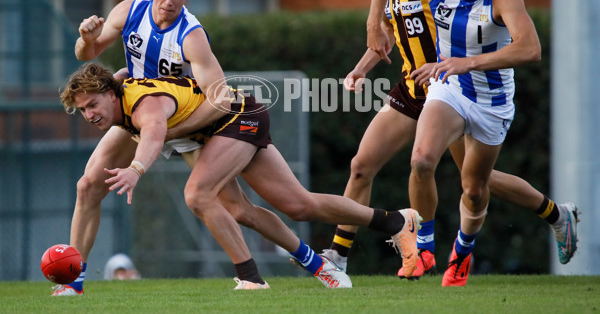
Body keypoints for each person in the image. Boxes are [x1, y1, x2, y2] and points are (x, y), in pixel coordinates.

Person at [52, 0, 352, 294]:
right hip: (139, 114)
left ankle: (310, 263)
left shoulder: (191, 35)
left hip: (188, 124)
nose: (167, 2)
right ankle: (72, 280)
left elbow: (220, 97)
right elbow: (85, 54)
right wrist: (87, 39)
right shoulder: (129, 11)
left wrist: (164, 140)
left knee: (238, 208)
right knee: (88, 185)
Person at [323, 0, 579, 282]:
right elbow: (389, 35)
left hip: (454, 84)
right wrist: (361, 65)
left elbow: (519, 45)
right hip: (416, 87)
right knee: (364, 166)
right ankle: (340, 256)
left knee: (477, 184)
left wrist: (462, 62)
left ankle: (555, 215)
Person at [59, 62, 422, 287]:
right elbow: (119, 77)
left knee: (198, 195)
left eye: (93, 105)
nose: (89, 114)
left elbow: (154, 131)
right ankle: (394, 223)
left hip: (238, 115)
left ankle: (251, 279)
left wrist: (136, 169)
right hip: (214, 131)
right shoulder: (119, 94)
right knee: (294, 206)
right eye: (82, 110)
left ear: (110, 94)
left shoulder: (141, 105)